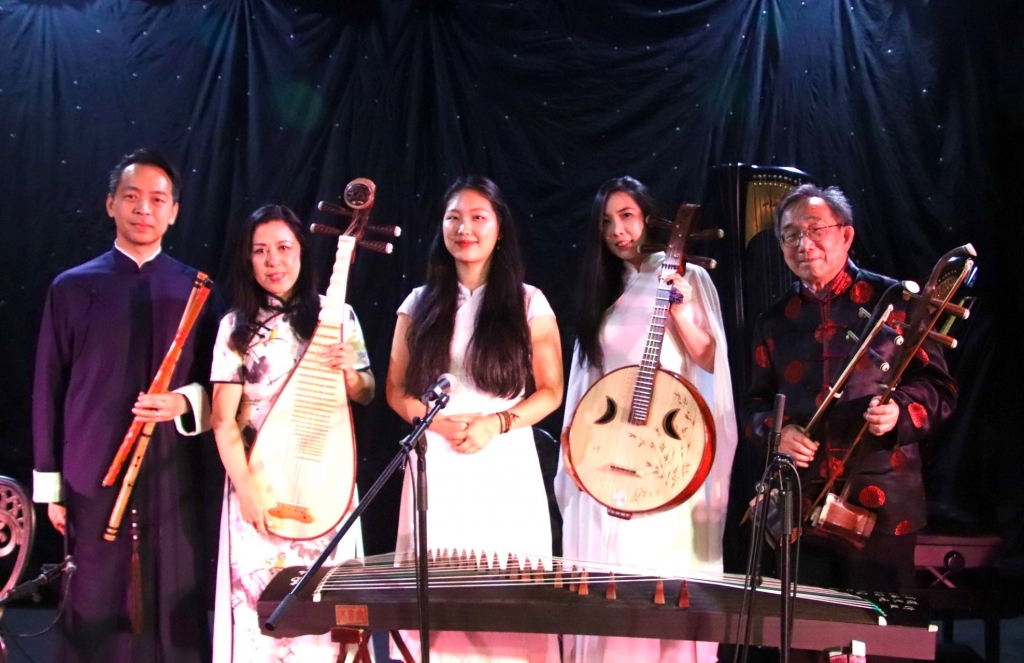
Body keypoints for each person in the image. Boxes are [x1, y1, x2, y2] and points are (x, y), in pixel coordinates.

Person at [32, 148, 213, 662]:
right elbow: (47, 387)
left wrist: (182, 401)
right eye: (131, 197)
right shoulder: (72, 287)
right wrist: (52, 487)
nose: (143, 209)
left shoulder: (196, 289)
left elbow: (222, 385)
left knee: (171, 595)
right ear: (110, 204)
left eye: (157, 199)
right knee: (94, 597)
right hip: (91, 473)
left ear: (174, 212)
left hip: (171, 472)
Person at [554, 176, 738, 663]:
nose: (617, 231)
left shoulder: (687, 277)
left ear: (649, 218)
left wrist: (677, 309)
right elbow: (589, 381)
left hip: (667, 453)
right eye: (606, 222)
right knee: (612, 572)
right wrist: (577, 449)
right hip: (609, 451)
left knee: (660, 574)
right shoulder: (605, 290)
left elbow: (711, 359)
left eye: (627, 216)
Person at [743, 183, 958, 593]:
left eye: (815, 229)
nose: (804, 244)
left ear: (845, 235)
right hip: (799, 505)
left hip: (883, 506)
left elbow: (939, 389)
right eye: (791, 234)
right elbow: (754, 403)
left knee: (880, 625)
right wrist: (777, 433)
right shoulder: (773, 321)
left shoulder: (897, 302)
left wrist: (899, 411)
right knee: (805, 623)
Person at [385, 176, 563, 662]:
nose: (465, 228)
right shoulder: (418, 303)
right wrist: (435, 423)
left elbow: (551, 392)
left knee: (505, 593)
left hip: (503, 458)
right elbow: (396, 391)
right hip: (436, 459)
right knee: (435, 597)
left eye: (478, 217)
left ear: (499, 228)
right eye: (454, 218)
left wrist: (496, 423)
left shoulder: (529, 301)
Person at [208, 204, 375, 662]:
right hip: (257, 485)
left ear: (302, 252)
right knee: (259, 613)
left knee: (325, 608)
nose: (273, 261)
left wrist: (350, 372)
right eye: (260, 251)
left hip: (324, 479)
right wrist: (246, 493)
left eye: (283, 248)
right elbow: (223, 421)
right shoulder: (234, 328)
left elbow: (366, 391)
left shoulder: (337, 316)